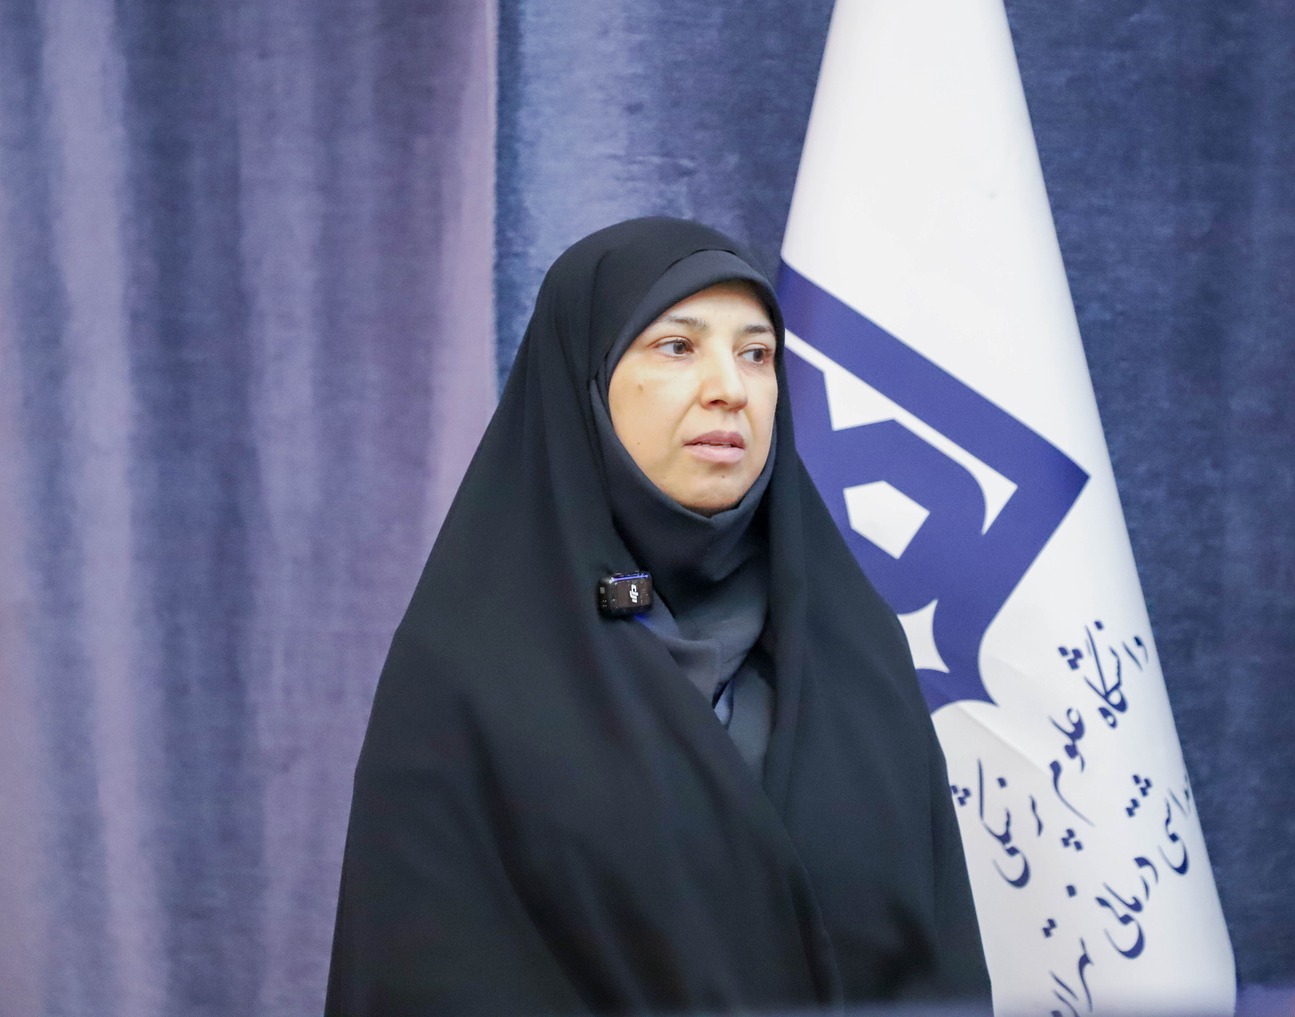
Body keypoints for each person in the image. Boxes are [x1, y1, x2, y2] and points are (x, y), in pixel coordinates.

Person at [325, 217, 989, 1015]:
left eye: (757, 353)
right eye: (678, 347)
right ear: (587, 378)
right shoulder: (469, 675)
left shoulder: (855, 646)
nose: (730, 387)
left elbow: (941, 965)